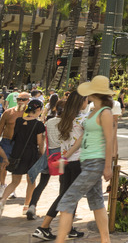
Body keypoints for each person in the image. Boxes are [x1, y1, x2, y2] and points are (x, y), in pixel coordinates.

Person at [53, 77, 115, 243]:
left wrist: (108, 166)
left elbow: (110, 140)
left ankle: (59, 240)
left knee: (67, 200)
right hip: (86, 161)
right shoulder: (92, 112)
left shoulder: (106, 112)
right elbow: (82, 138)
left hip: (96, 162)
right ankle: (105, 240)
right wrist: (66, 155)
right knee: (96, 201)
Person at [33, 91, 89, 241]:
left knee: (66, 194)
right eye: (86, 100)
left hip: (65, 161)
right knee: (67, 196)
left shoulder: (63, 119)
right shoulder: (83, 119)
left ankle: (68, 228)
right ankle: (44, 227)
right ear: (81, 102)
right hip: (77, 160)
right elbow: (82, 142)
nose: (88, 103)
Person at [0, 99, 45, 218]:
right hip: (31, 154)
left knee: (15, 181)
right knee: (31, 181)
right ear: (39, 109)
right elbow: (39, 143)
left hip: (17, 152)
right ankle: (26, 206)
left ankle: (2, 200)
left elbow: (15, 136)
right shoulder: (38, 124)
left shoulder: (19, 121)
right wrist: (42, 153)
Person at [26, 100, 65, 221]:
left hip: (49, 155)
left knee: (42, 183)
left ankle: (32, 206)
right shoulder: (68, 123)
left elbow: (44, 139)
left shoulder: (49, 122)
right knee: (63, 183)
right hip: (62, 156)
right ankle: (62, 210)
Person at [0, 91, 29, 197]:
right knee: (2, 164)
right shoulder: (8, 113)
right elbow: (1, 128)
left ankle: (12, 188)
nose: (21, 101)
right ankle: (2, 185)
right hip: (7, 142)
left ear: (28, 101)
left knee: (17, 166)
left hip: (21, 143)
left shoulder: (29, 114)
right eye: (19, 99)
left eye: (23, 99)